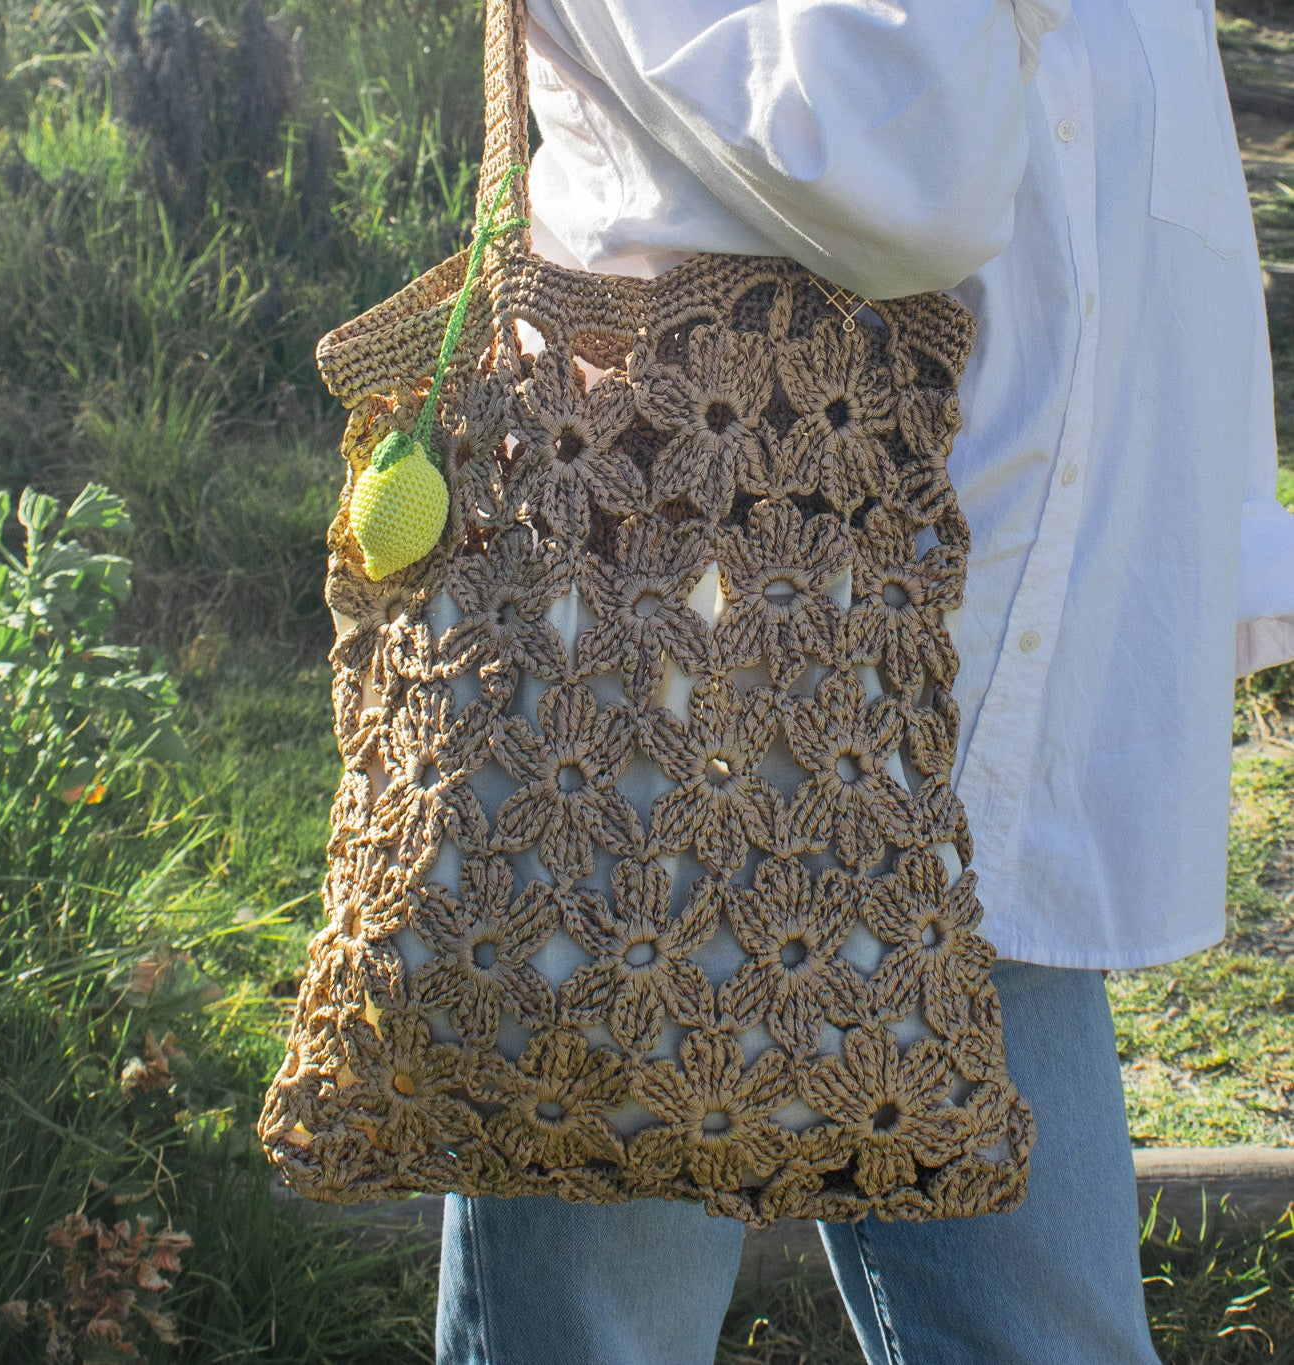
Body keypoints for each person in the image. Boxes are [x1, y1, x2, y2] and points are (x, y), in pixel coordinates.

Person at [434, 2, 1294, 1361]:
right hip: (670, 706)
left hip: (978, 703)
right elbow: (894, 173)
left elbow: (1150, 210)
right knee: (605, 1333)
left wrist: (1204, 556)